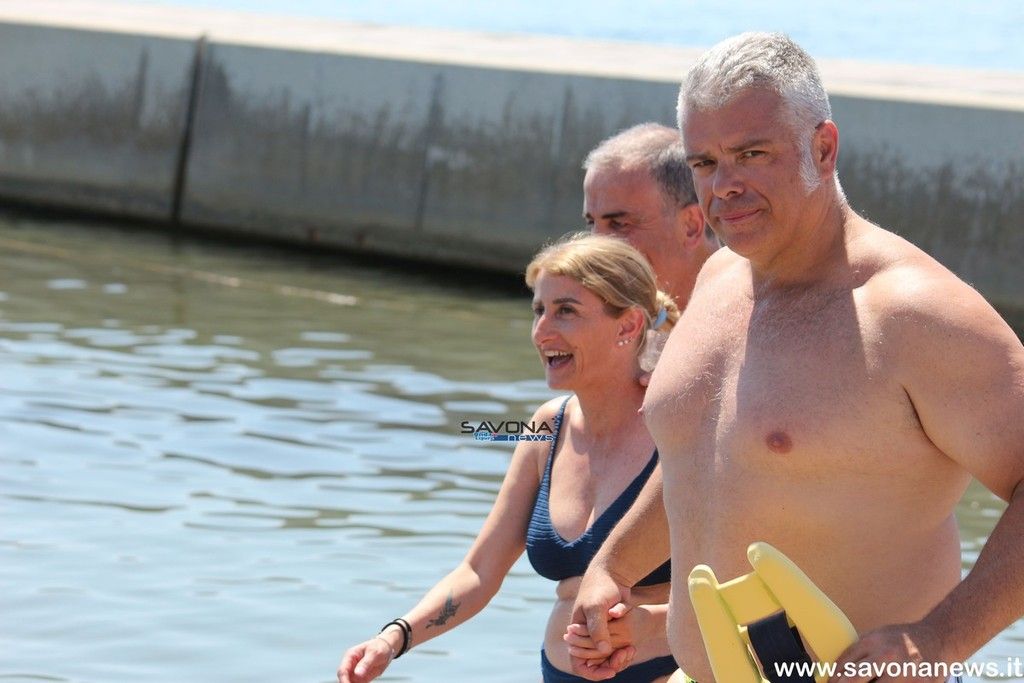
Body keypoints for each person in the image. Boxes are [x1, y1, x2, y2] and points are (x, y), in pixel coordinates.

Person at [569, 32, 1024, 683]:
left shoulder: (910, 314)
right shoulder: (718, 279)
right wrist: (613, 566)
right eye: (704, 163)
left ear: (824, 148)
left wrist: (939, 638)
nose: (724, 185)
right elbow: (703, 456)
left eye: (751, 154)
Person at [337, 234, 682, 683]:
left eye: (566, 311)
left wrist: (649, 624)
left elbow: (746, 574)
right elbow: (479, 572)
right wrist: (394, 638)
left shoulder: (680, 425)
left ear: (628, 325)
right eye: (539, 310)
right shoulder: (545, 428)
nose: (542, 332)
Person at [583, 122, 719, 309]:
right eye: (591, 223)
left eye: (619, 224)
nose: (595, 249)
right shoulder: (590, 319)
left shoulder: (749, 318)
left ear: (691, 226)